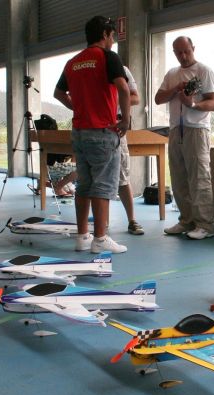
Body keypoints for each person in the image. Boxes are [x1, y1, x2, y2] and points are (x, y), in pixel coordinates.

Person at [53, 16, 131, 254]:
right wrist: (125, 120)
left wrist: (78, 107)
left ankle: (82, 236)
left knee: (84, 184)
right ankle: (100, 239)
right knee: (104, 185)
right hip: (103, 131)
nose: (113, 40)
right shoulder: (108, 57)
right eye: (112, 36)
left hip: (79, 132)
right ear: (106, 34)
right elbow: (124, 89)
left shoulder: (73, 62)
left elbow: (58, 93)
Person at [155, 36, 214, 240]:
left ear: (193, 48)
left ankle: (204, 225)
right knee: (179, 177)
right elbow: (158, 98)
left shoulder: (204, 71)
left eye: (186, 51)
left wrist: (192, 105)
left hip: (197, 129)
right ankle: (186, 220)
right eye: (178, 52)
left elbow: (213, 103)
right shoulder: (172, 74)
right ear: (174, 53)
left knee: (199, 177)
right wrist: (175, 89)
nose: (183, 56)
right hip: (175, 129)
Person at [118, 65, 144, 235]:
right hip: (92, 127)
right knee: (92, 180)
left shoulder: (122, 69)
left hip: (117, 126)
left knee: (123, 177)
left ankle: (131, 220)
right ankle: (99, 223)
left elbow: (135, 98)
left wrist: (115, 99)